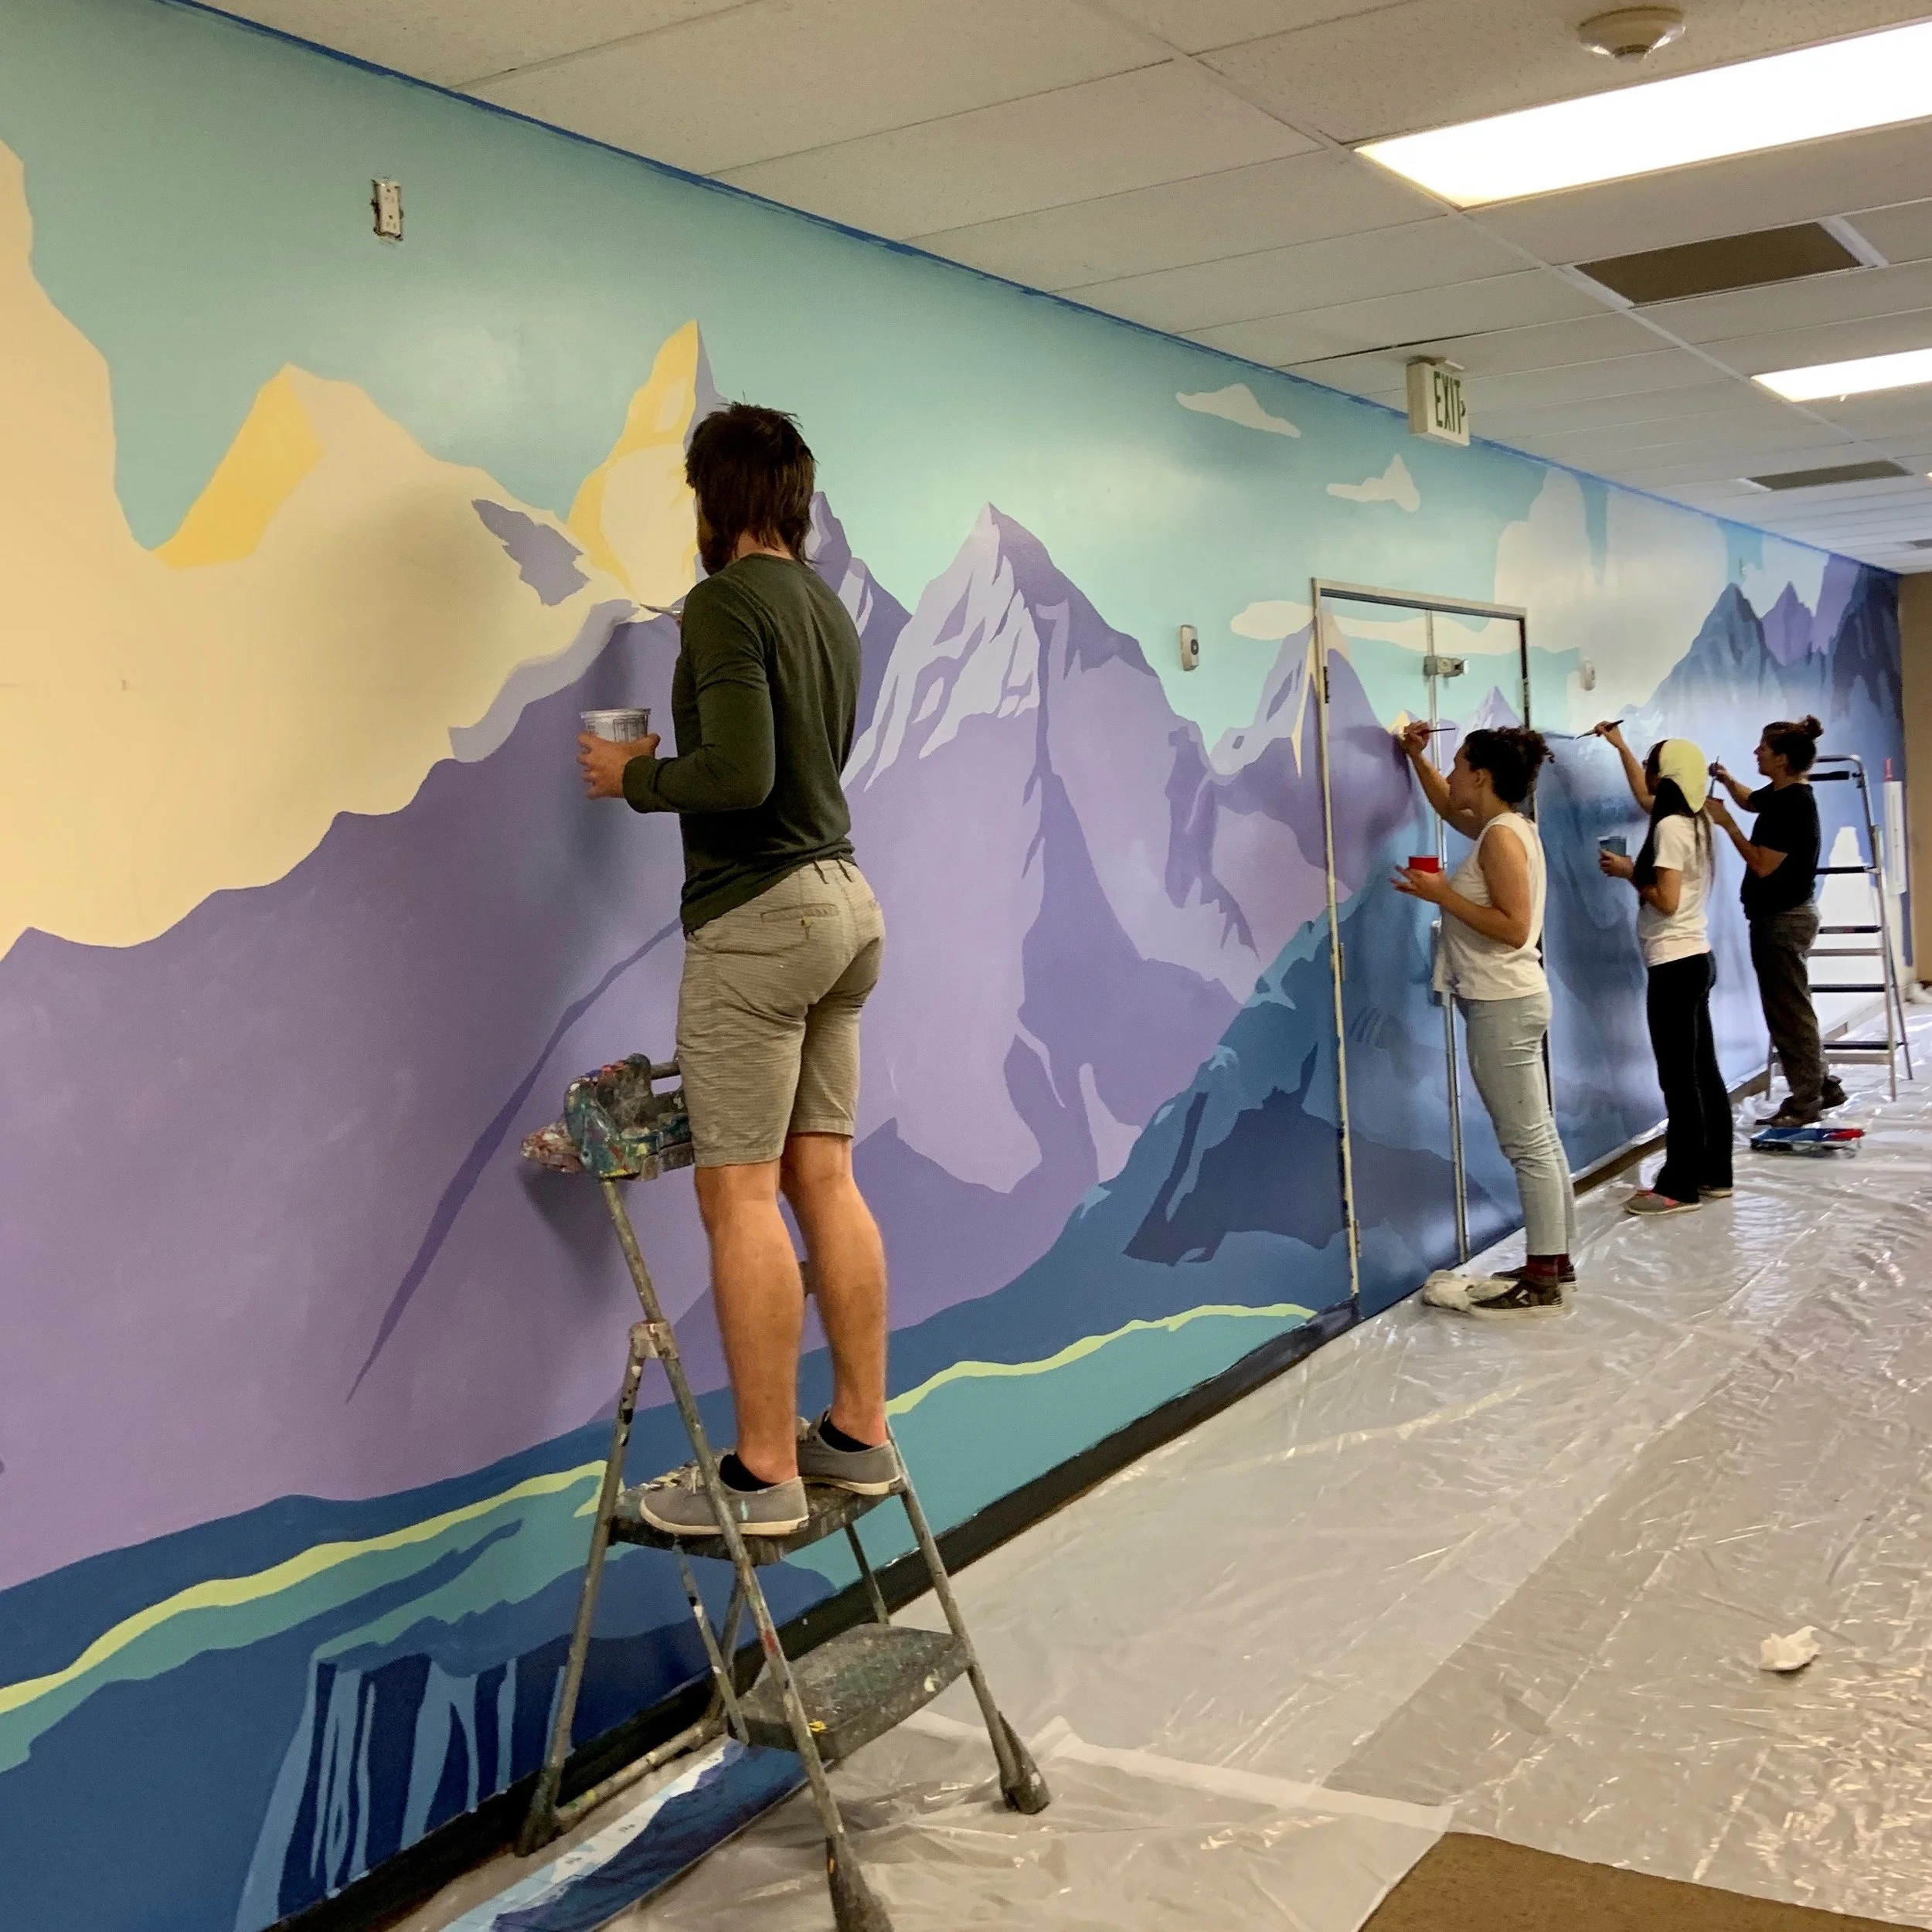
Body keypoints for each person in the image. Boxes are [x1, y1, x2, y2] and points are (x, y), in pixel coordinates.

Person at [576, 403, 896, 1536]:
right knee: (826, 1178)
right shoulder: (825, 607)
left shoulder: (723, 603)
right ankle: (857, 1433)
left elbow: (744, 776)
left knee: (741, 1193)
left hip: (759, 919)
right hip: (844, 904)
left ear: (715, 499)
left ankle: (761, 1473)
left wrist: (633, 775)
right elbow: (792, 764)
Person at [1394, 723, 1576, 1318]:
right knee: (1539, 1138)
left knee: (1528, 1144)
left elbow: (1515, 928)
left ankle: (1544, 1278)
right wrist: (1416, 757)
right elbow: (1449, 809)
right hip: (1512, 1001)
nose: (1450, 774)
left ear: (1481, 775)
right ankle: (1554, 1262)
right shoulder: (1505, 826)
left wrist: (1443, 895)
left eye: (1456, 764)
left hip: (1503, 1004)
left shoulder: (1500, 838)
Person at [1594, 728, 1732, 1215]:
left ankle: (1679, 1186)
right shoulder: (1695, 819)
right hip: (1696, 959)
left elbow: (1667, 901)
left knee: (1679, 1079)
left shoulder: (1670, 827)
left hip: (1675, 965)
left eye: (1653, 766)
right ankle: (1715, 1173)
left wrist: (1630, 872)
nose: (1648, 775)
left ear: (1666, 775)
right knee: (1703, 1072)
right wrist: (1621, 747)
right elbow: (1643, 795)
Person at [1707, 716, 1843, 1127]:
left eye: (1763, 748)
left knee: (1788, 1013)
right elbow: (1752, 801)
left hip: (1783, 921)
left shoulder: (1794, 806)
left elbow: (1763, 864)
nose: (1756, 752)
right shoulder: (1784, 794)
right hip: (1783, 917)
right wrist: (1727, 781)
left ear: (1782, 759)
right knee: (1793, 1008)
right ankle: (1822, 1085)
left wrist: (1727, 825)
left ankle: (1806, 1101)